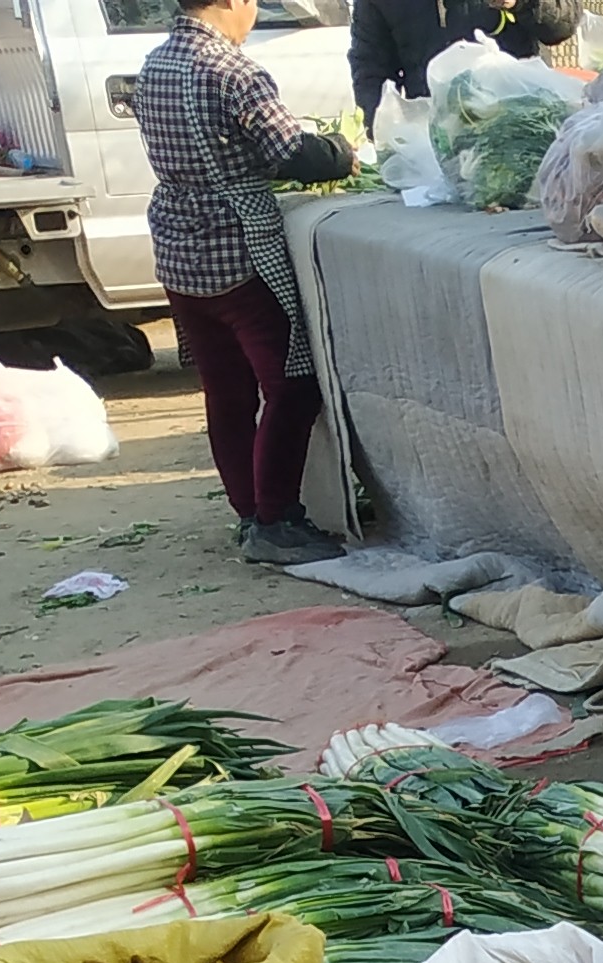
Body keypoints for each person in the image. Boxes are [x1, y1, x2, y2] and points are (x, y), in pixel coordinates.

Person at [135, 0, 352, 567]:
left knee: (225, 390)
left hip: (179, 249)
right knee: (291, 385)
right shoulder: (231, 71)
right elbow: (292, 154)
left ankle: (249, 510)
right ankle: (277, 518)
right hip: (238, 248)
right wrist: (341, 154)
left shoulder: (156, 65)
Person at [346, 0, 574, 137]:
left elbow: (563, 25)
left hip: (522, 127)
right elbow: (370, 66)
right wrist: (383, 131)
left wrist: (522, 3)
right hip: (437, 143)